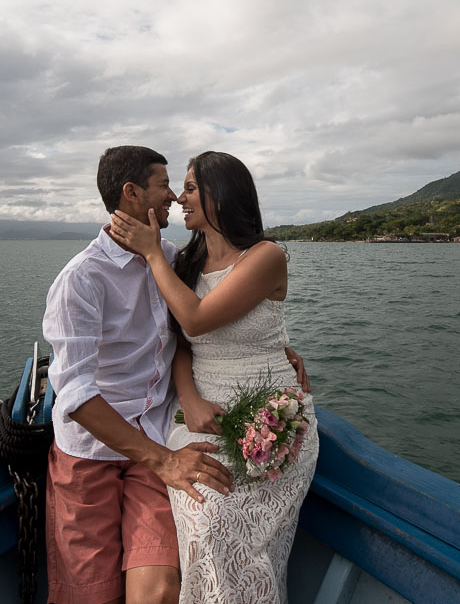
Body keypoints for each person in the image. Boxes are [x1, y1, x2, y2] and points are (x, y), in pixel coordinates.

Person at [109, 151, 318, 604]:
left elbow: (198, 318)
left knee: (229, 531)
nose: (178, 199)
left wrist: (150, 252)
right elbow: (183, 342)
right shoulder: (186, 261)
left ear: (219, 195)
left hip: (268, 414)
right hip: (200, 412)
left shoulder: (265, 257)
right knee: (205, 521)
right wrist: (191, 399)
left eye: (189, 188)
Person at [43, 146, 234, 604]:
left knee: (161, 590)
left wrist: (276, 349)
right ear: (131, 193)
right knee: (89, 595)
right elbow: (75, 395)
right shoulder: (82, 279)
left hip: (154, 438)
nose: (171, 195)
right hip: (90, 455)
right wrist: (163, 461)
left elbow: (210, 315)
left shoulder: (167, 258)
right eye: (161, 185)